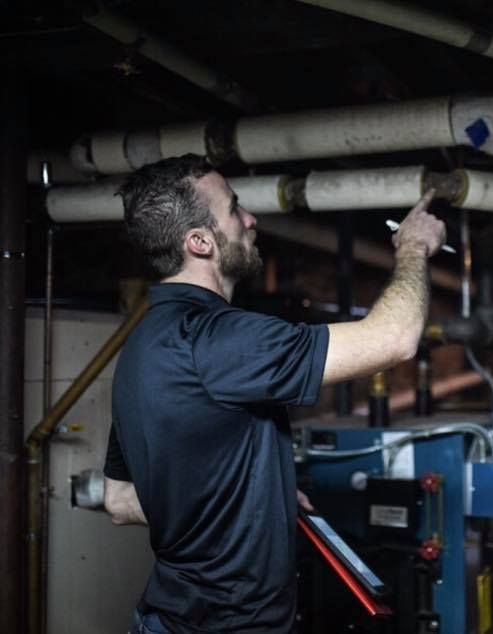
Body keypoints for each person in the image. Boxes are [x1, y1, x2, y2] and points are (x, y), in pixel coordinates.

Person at [101, 154, 446, 633]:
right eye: (234, 208)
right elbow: (394, 339)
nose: (250, 219)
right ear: (199, 242)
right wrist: (412, 248)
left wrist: (264, 498)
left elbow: (120, 500)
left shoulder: (140, 346)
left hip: (168, 618)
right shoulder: (222, 338)